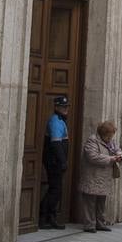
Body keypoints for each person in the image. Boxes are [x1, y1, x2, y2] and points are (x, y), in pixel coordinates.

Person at [78, 120, 122, 232]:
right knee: (90, 201)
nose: (110, 138)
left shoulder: (110, 142)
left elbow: (117, 149)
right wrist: (111, 159)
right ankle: (89, 225)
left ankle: (100, 223)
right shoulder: (92, 141)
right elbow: (93, 157)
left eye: (111, 136)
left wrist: (119, 155)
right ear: (103, 134)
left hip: (104, 178)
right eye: (109, 136)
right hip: (92, 176)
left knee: (101, 202)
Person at [39, 96, 70, 229]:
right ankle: (43, 217)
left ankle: (51, 217)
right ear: (56, 107)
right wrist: (62, 161)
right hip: (54, 161)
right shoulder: (55, 121)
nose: (65, 109)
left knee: (56, 190)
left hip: (56, 160)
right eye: (63, 107)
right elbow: (56, 143)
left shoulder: (60, 120)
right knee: (55, 190)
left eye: (67, 107)